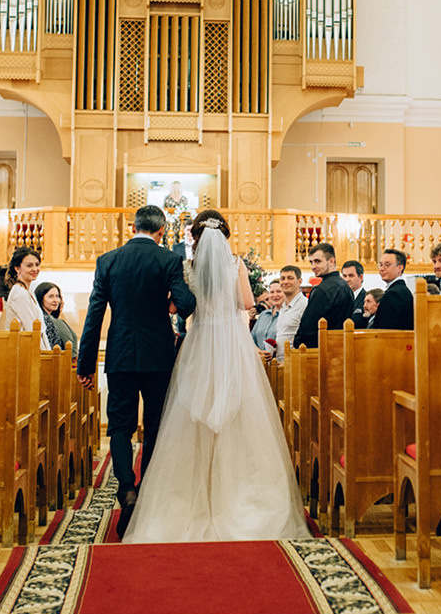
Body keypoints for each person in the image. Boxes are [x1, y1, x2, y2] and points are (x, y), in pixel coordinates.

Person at [122, 209, 309, 543]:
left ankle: (186, 500)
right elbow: (247, 302)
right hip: (231, 342)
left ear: (194, 236)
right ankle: (237, 495)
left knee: (193, 411)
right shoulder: (234, 264)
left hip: (201, 340)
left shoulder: (188, 267)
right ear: (225, 235)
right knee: (240, 411)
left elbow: (177, 307)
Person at [77, 205, 196, 534]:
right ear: (161, 231)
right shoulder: (168, 260)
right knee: (154, 425)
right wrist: (165, 306)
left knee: (119, 425)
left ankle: (125, 488)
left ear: (133, 227)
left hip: (121, 354)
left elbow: (95, 314)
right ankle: (145, 492)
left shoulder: (108, 260)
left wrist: (86, 364)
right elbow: (187, 303)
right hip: (158, 354)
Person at [293, 243, 353, 349]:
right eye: (311, 262)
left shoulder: (321, 290)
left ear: (331, 261)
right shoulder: (346, 287)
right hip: (342, 348)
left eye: (317, 261)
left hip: (320, 351)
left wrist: (297, 344)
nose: (313, 267)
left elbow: (307, 328)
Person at [5, 247, 49, 348]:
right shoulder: (19, 294)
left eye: (37, 265)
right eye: (29, 265)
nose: (35, 269)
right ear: (17, 268)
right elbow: (31, 329)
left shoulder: (28, 291)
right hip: (26, 350)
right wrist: (44, 356)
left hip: (35, 346)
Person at [369, 248, 414, 329]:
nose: (382, 269)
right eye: (381, 265)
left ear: (400, 268)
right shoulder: (400, 290)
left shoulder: (394, 294)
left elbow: (386, 329)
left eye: (387, 265)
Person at [271, 265, 306, 361]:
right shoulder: (282, 307)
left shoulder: (305, 305)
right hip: (279, 361)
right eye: (282, 279)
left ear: (299, 282)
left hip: (295, 360)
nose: (285, 282)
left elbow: (306, 336)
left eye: (290, 278)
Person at [35, 281, 78, 353]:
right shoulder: (48, 320)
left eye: (57, 296)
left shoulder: (50, 318)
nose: (55, 300)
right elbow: (71, 348)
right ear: (41, 299)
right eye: (50, 296)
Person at [250, 281, 284, 353]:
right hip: (259, 360)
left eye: (279, 291)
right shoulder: (263, 315)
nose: (275, 295)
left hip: (278, 361)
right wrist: (259, 352)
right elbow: (251, 338)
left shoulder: (287, 314)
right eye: (272, 292)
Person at [341, 260, 367, 326]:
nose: (347, 279)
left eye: (351, 276)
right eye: (345, 276)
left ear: (360, 277)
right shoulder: (339, 298)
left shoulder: (367, 298)